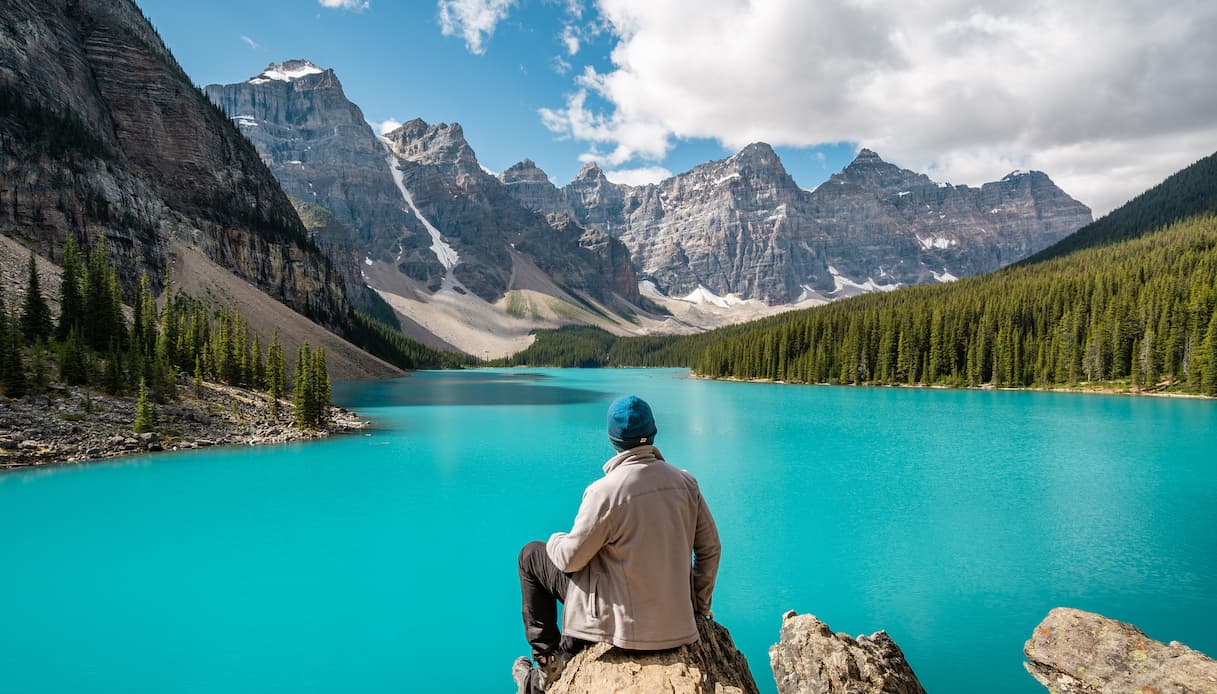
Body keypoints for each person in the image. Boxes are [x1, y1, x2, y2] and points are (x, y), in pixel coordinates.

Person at [513, 395, 721, 693]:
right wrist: (698, 608)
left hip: (622, 633)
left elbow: (570, 560)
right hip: (678, 627)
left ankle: (547, 661)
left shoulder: (605, 492)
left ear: (613, 440)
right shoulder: (686, 483)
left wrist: (556, 540)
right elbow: (710, 550)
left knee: (531, 555)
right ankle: (563, 652)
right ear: (653, 433)